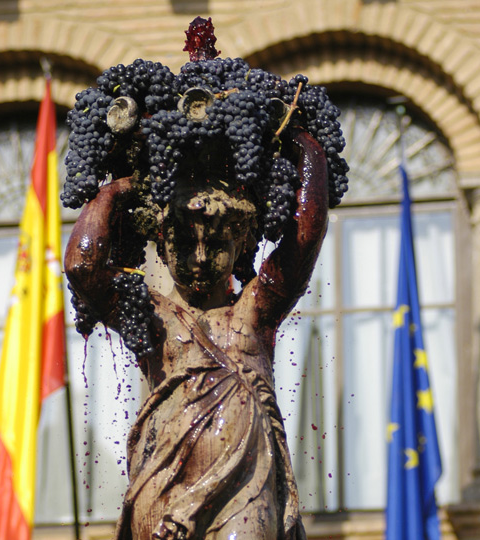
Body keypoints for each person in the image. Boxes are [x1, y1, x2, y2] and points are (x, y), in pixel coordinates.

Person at [64, 128, 329, 539]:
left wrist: (305, 149)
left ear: (243, 243)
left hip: (246, 480)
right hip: (165, 478)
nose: (201, 258)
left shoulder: (255, 312)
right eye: (185, 243)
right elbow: (83, 267)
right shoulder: (149, 313)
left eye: (219, 243)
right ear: (160, 242)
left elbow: (306, 236)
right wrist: (118, 191)